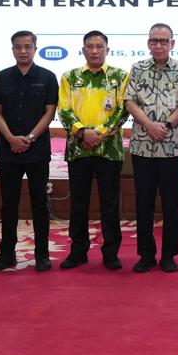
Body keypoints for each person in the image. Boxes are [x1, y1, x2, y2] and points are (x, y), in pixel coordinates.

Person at [125, 23, 178, 273]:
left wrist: (165, 125)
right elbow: (130, 102)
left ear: (172, 44)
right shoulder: (137, 68)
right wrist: (149, 125)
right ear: (148, 43)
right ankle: (146, 254)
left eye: (163, 41)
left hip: (171, 147)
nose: (158, 45)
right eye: (154, 41)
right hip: (142, 147)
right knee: (144, 202)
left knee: (171, 203)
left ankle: (168, 254)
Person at [57, 31, 130, 270]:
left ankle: (111, 253)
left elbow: (123, 111)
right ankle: (78, 251)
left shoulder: (120, 76)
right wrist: (82, 132)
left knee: (110, 203)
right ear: (83, 50)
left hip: (109, 151)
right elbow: (63, 110)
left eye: (99, 46)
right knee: (79, 204)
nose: (95, 51)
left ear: (107, 49)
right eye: (90, 46)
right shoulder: (70, 77)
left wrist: (98, 133)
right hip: (78, 150)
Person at [0, 31, 57, 272]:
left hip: (37, 150)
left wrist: (29, 138)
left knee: (40, 204)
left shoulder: (48, 77)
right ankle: (7, 254)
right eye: (18, 47)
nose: (23, 51)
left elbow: (50, 112)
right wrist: (10, 138)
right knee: (9, 204)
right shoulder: (2, 77)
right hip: (8, 150)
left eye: (28, 46)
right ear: (13, 50)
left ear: (35, 48)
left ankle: (42, 254)